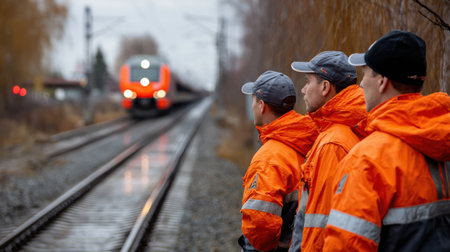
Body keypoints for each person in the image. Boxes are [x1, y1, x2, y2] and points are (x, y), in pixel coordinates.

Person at [323, 30, 450, 251]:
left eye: (365, 74)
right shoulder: (442, 136)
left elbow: (346, 245)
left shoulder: (366, 160)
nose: (361, 84)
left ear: (382, 82)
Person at [289, 51, 367, 252]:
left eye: (308, 82)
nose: (303, 90)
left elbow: (320, 225)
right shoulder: (348, 127)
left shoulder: (333, 144)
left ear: (325, 87)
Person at [239, 70, 319, 252]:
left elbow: (260, 226)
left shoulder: (268, 158)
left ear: (261, 106)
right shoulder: (308, 138)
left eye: (253, 101)